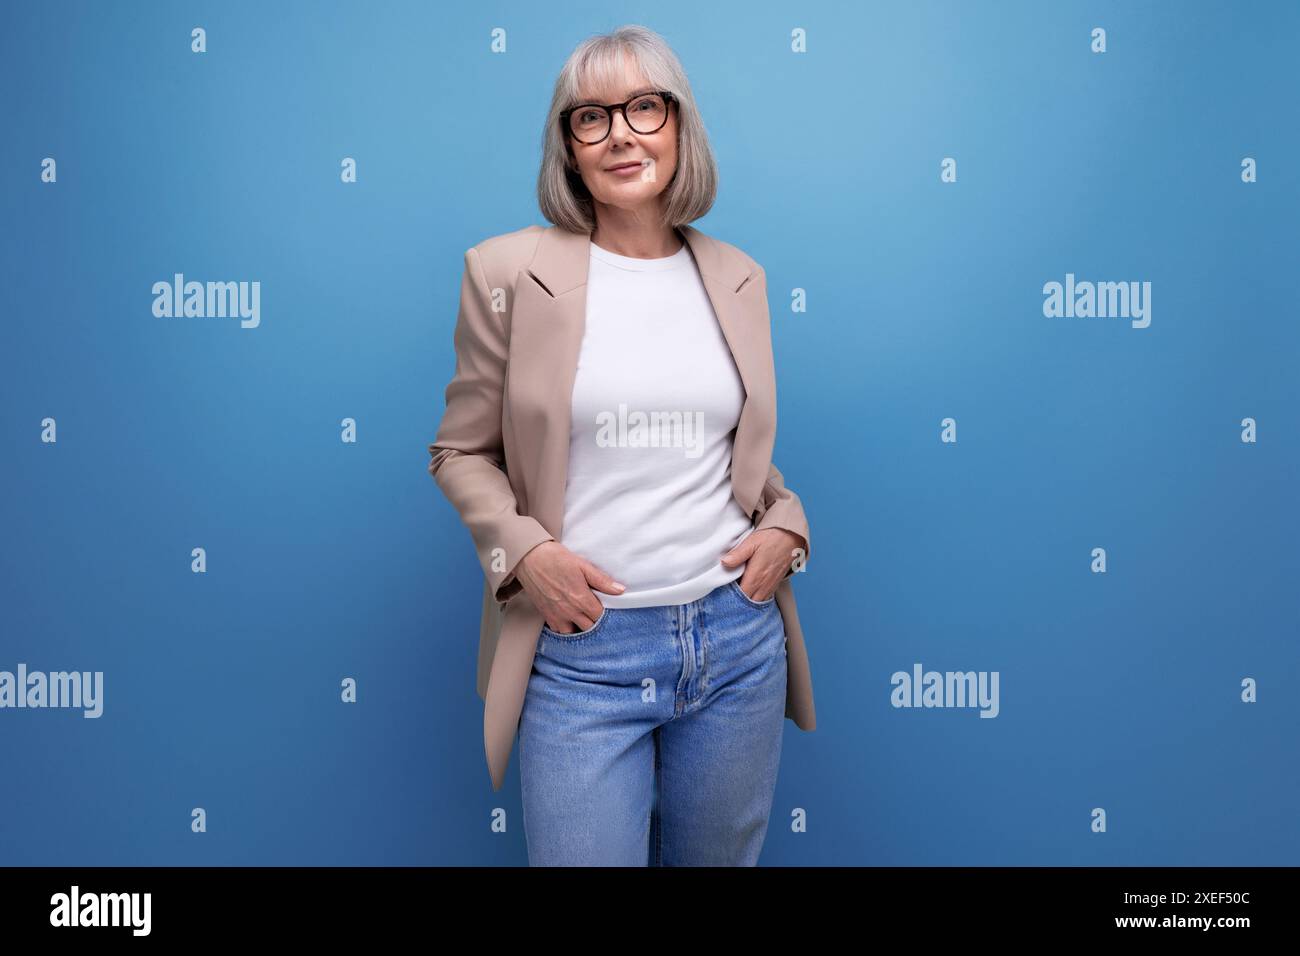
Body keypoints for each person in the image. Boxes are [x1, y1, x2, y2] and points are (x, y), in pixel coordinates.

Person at [427, 24, 815, 865]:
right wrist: (525, 553)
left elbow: (731, 454)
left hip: (736, 642)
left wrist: (789, 525)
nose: (623, 134)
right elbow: (460, 452)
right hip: (583, 653)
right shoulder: (505, 274)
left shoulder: (739, 276)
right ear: (568, 147)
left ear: (679, 125)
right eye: (591, 118)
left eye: (645, 107)